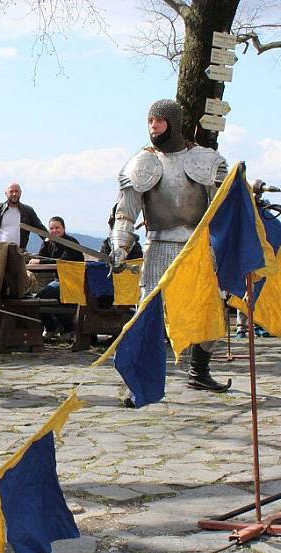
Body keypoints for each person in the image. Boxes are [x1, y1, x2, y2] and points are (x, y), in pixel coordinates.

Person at [109, 98, 230, 397]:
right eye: (150, 121)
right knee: (146, 314)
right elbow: (126, 211)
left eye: (159, 121)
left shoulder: (206, 160)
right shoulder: (141, 163)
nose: (154, 127)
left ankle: (199, 372)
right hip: (159, 244)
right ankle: (137, 382)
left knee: (209, 309)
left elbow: (224, 207)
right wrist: (120, 247)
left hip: (198, 247)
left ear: (173, 123)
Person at [27, 216, 85, 340]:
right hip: (58, 281)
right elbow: (42, 257)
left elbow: (62, 261)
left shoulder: (71, 242)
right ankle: (52, 328)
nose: (54, 231)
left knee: (40, 299)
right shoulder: (50, 243)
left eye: (57, 228)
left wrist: (40, 261)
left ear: (64, 228)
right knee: (38, 299)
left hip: (73, 282)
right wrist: (45, 244)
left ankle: (64, 328)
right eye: (52, 228)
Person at [0, 181, 47, 250]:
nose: (14, 194)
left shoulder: (28, 211)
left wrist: (52, 242)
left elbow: (41, 230)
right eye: (11, 191)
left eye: (16, 191)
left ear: (20, 193)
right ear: (6, 193)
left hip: (17, 252)